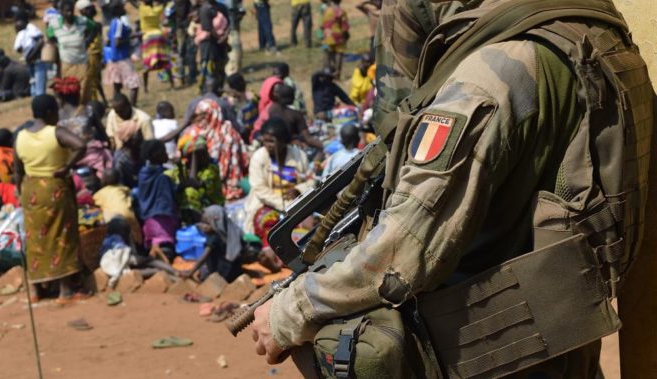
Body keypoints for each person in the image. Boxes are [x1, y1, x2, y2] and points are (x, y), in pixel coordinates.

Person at [251, 1, 654, 378]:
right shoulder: (597, 34)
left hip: (496, 354)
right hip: (565, 348)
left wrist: (289, 312)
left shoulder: (497, 72)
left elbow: (398, 256)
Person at [14, 94, 87, 304]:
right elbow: (81, 145)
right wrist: (66, 167)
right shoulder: (55, 132)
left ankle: (37, 290)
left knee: (35, 237)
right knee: (60, 234)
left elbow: (17, 171)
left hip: (31, 190)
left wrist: (21, 193)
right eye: (55, 111)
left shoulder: (20, 136)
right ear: (48, 113)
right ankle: (65, 290)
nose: (58, 116)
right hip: (54, 188)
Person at [244, 117, 314, 242]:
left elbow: (311, 180)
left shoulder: (299, 155)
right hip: (266, 204)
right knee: (271, 226)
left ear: (283, 141)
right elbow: (260, 190)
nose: (268, 145)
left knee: (311, 226)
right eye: (265, 141)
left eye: (272, 141)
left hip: (297, 203)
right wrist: (287, 207)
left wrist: (298, 189)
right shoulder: (258, 157)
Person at [178, 98, 248, 200]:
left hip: (223, 182)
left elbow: (232, 163)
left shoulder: (227, 133)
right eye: (197, 116)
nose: (199, 119)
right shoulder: (191, 133)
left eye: (204, 115)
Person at [46, 0, 97, 105]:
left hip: (82, 61)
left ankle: (82, 112)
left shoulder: (82, 21)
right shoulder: (55, 25)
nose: (69, 14)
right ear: (61, 12)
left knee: (84, 90)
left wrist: (88, 40)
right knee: (68, 90)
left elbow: (95, 27)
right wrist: (56, 46)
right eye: (66, 11)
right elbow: (50, 36)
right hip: (65, 63)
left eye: (71, 11)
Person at [138, 139, 179, 264]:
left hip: (149, 222)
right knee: (165, 250)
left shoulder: (143, 174)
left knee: (156, 247)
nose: (166, 154)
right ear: (154, 155)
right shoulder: (163, 177)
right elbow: (170, 197)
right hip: (163, 221)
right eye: (163, 152)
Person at [179, 205, 244, 282]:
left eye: (207, 223)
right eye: (202, 222)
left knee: (202, 275)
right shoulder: (233, 230)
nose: (202, 226)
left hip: (221, 274)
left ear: (215, 222)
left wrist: (191, 272)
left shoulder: (214, 237)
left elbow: (203, 257)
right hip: (234, 271)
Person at [104, 2, 141, 107]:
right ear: (118, 10)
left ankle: (117, 107)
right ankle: (133, 107)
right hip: (122, 58)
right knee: (134, 84)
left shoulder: (113, 23)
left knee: (117, 85)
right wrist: (132, 38)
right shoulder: (119, 23)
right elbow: (117, 42)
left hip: (114, 58)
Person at [93, 169, 143, 245]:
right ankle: (138, 245)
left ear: (103, 180)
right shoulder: (123, 188)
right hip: (128, 215)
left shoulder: (99, 194)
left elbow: (95, 206)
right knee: (133, 236)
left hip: (111, 218)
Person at [267, 83, 322, 150]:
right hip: (291, 147)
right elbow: (308, 139)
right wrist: (324, 146)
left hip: (276, 145)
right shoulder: (296, 114)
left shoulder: (272, 109)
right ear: (293, 97)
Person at [76, 0, 108, 104]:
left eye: (91, 7)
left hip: (97, 54)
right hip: (90, 54)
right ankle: (94, 104)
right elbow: (84, 42)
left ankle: (103, 101)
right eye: (88, 9)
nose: (91, 10)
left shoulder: (95, 23)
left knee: (97, 79)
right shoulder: (83, 24)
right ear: (82, 11)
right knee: (92, 81)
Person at [139, 0, 175, 92]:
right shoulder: (157, 9)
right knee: (165, 60)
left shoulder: (142, 9)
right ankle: (172, 85)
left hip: (148, 37)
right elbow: (164, 3)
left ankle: (146, 88)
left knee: (147, 63)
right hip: (159, 36)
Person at [198, 0, 230, 92]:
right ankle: (207, 91)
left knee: (221, 68)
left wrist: (225, 36)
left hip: (221, 43)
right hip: (209, 45)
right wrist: (219, 38)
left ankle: (220, 88)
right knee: (210, 69)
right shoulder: (205, 9)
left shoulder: (222, 7)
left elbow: (228, 23)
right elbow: (208, 28)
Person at [13, 15, 46, 97]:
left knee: (39, 83)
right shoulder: (21, 32)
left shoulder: (31, 28)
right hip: (29, 61)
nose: (16, 24)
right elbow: (18, 48)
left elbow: (41, 41)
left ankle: (40, 99)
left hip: (37, 59)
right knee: (33, 82)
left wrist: (31, 55)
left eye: (17, 21)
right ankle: (35, 99)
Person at [224, 73, 259, 141]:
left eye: (229, 90)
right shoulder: (252, 98)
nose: (227, 92)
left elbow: (246, 129)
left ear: (234, 90)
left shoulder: (249, 106)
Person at [320, 0, 349, 76]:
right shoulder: (341, 11)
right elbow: (344, 26)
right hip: (339, 36)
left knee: (327, 54)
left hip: (328, 36)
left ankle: (326, 72)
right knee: (339, 53)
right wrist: (346, 35)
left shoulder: (326, 11)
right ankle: (337, 73)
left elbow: (322, 25)